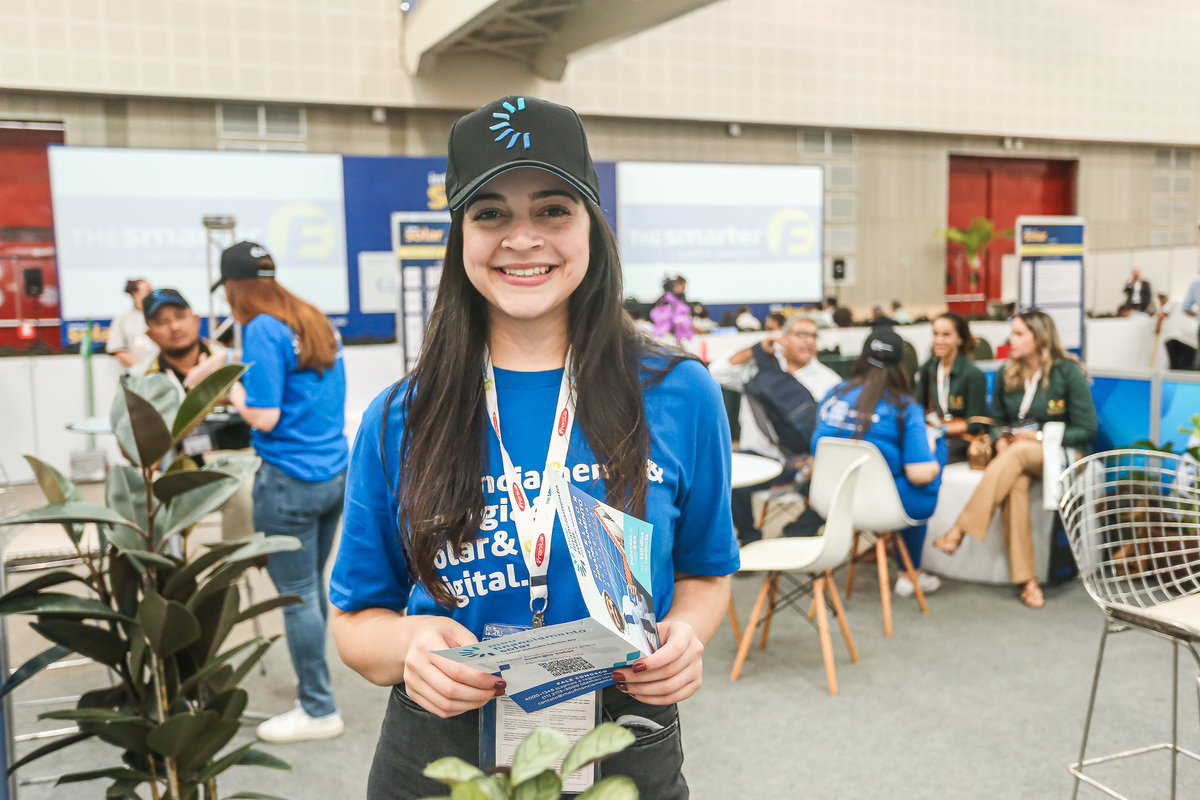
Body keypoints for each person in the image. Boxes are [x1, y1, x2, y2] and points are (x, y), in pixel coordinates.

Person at [327, 96, 738, 800]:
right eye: (490, 213)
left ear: (592, 228)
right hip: (447, 746)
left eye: (552, 209)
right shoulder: (401, 416)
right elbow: (356, 620)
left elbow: (706, 571)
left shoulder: (679, 394)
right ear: (460, 235)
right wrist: (411, 647)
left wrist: (684, 637)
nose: (523, 238)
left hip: (623, 733)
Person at [219, 240, 349, 743]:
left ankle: (318, 709)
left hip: (289, 480)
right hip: (332, 474)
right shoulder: (313, 319)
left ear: (235, 288)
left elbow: (266, 414)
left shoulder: (261, 329)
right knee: (311, 590)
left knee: (296, 597)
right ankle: (314, 693)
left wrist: (230, 388)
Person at [933, 310, 1097, 608]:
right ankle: (1028, 581)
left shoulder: (1068, 371)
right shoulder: (1006, 372)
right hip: (1020, 457)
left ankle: (960, 529)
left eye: (1020, 333)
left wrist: (1036, 437)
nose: (1012, 339)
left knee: (1020, 451)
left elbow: (1086, 429)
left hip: (1062, 452)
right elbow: (996, 423)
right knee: (1015, 486)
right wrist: (1001, 441)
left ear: (1040, 337)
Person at [812, 326, 947, 598]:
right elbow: (920, 474)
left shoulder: (833, 394)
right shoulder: (905, 407)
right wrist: (933, 454)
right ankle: (910, 575)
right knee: (935, 451)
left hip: (832, 501)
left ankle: (898, 562)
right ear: (903, 365)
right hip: (882, 505)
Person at [710, 316, 841, 543]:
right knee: (722, 468)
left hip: (805, 465)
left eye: (814, 336)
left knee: (837, 490)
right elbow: (718, 372)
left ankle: (793, 535)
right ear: (783, 337)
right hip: (759, 460)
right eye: (801, 334)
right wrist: (757, 349)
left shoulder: (829, 382)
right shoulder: (757, 368)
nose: (809, 341)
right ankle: (750, 538)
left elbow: (836, 433)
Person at [913, 312, 989, 463]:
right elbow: (917, 409)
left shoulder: (972, 374)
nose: (938, 340)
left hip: (960, 438)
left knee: (931, 456)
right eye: (935, 334)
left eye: (946, 335)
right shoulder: (928, 369)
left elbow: (976, 423)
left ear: (959, 338)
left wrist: (942, 429)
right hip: (932, 433)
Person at [107, 278, 157, 374]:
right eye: (148, 291)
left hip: (160, 373)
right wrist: (143, 370)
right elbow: (118, 349)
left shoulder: (157, 316)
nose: (151, 294)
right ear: (134, 294)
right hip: (134, 375)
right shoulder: (123, 318)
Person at [650, 275, 693, 341]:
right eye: (681, 285)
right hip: (666, 334)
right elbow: (662, 316)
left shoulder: (679, 299)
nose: (683, 288)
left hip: (679, 333)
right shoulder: (666, 299)